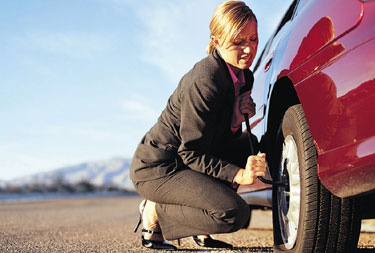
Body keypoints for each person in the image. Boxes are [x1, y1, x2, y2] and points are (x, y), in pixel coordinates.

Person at [130, 0, 267, 250]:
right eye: (238, 42)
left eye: (254, 39)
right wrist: (240, 175)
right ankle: (155, 212)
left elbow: (214, 137)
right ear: (216, 41)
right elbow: (191, 151)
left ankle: (201, 227)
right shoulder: (205, 79)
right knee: (234, 213)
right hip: (160, 167)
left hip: (187, 162)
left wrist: (235, 120)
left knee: (248, 146)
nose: (249, 49)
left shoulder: (244, 75)